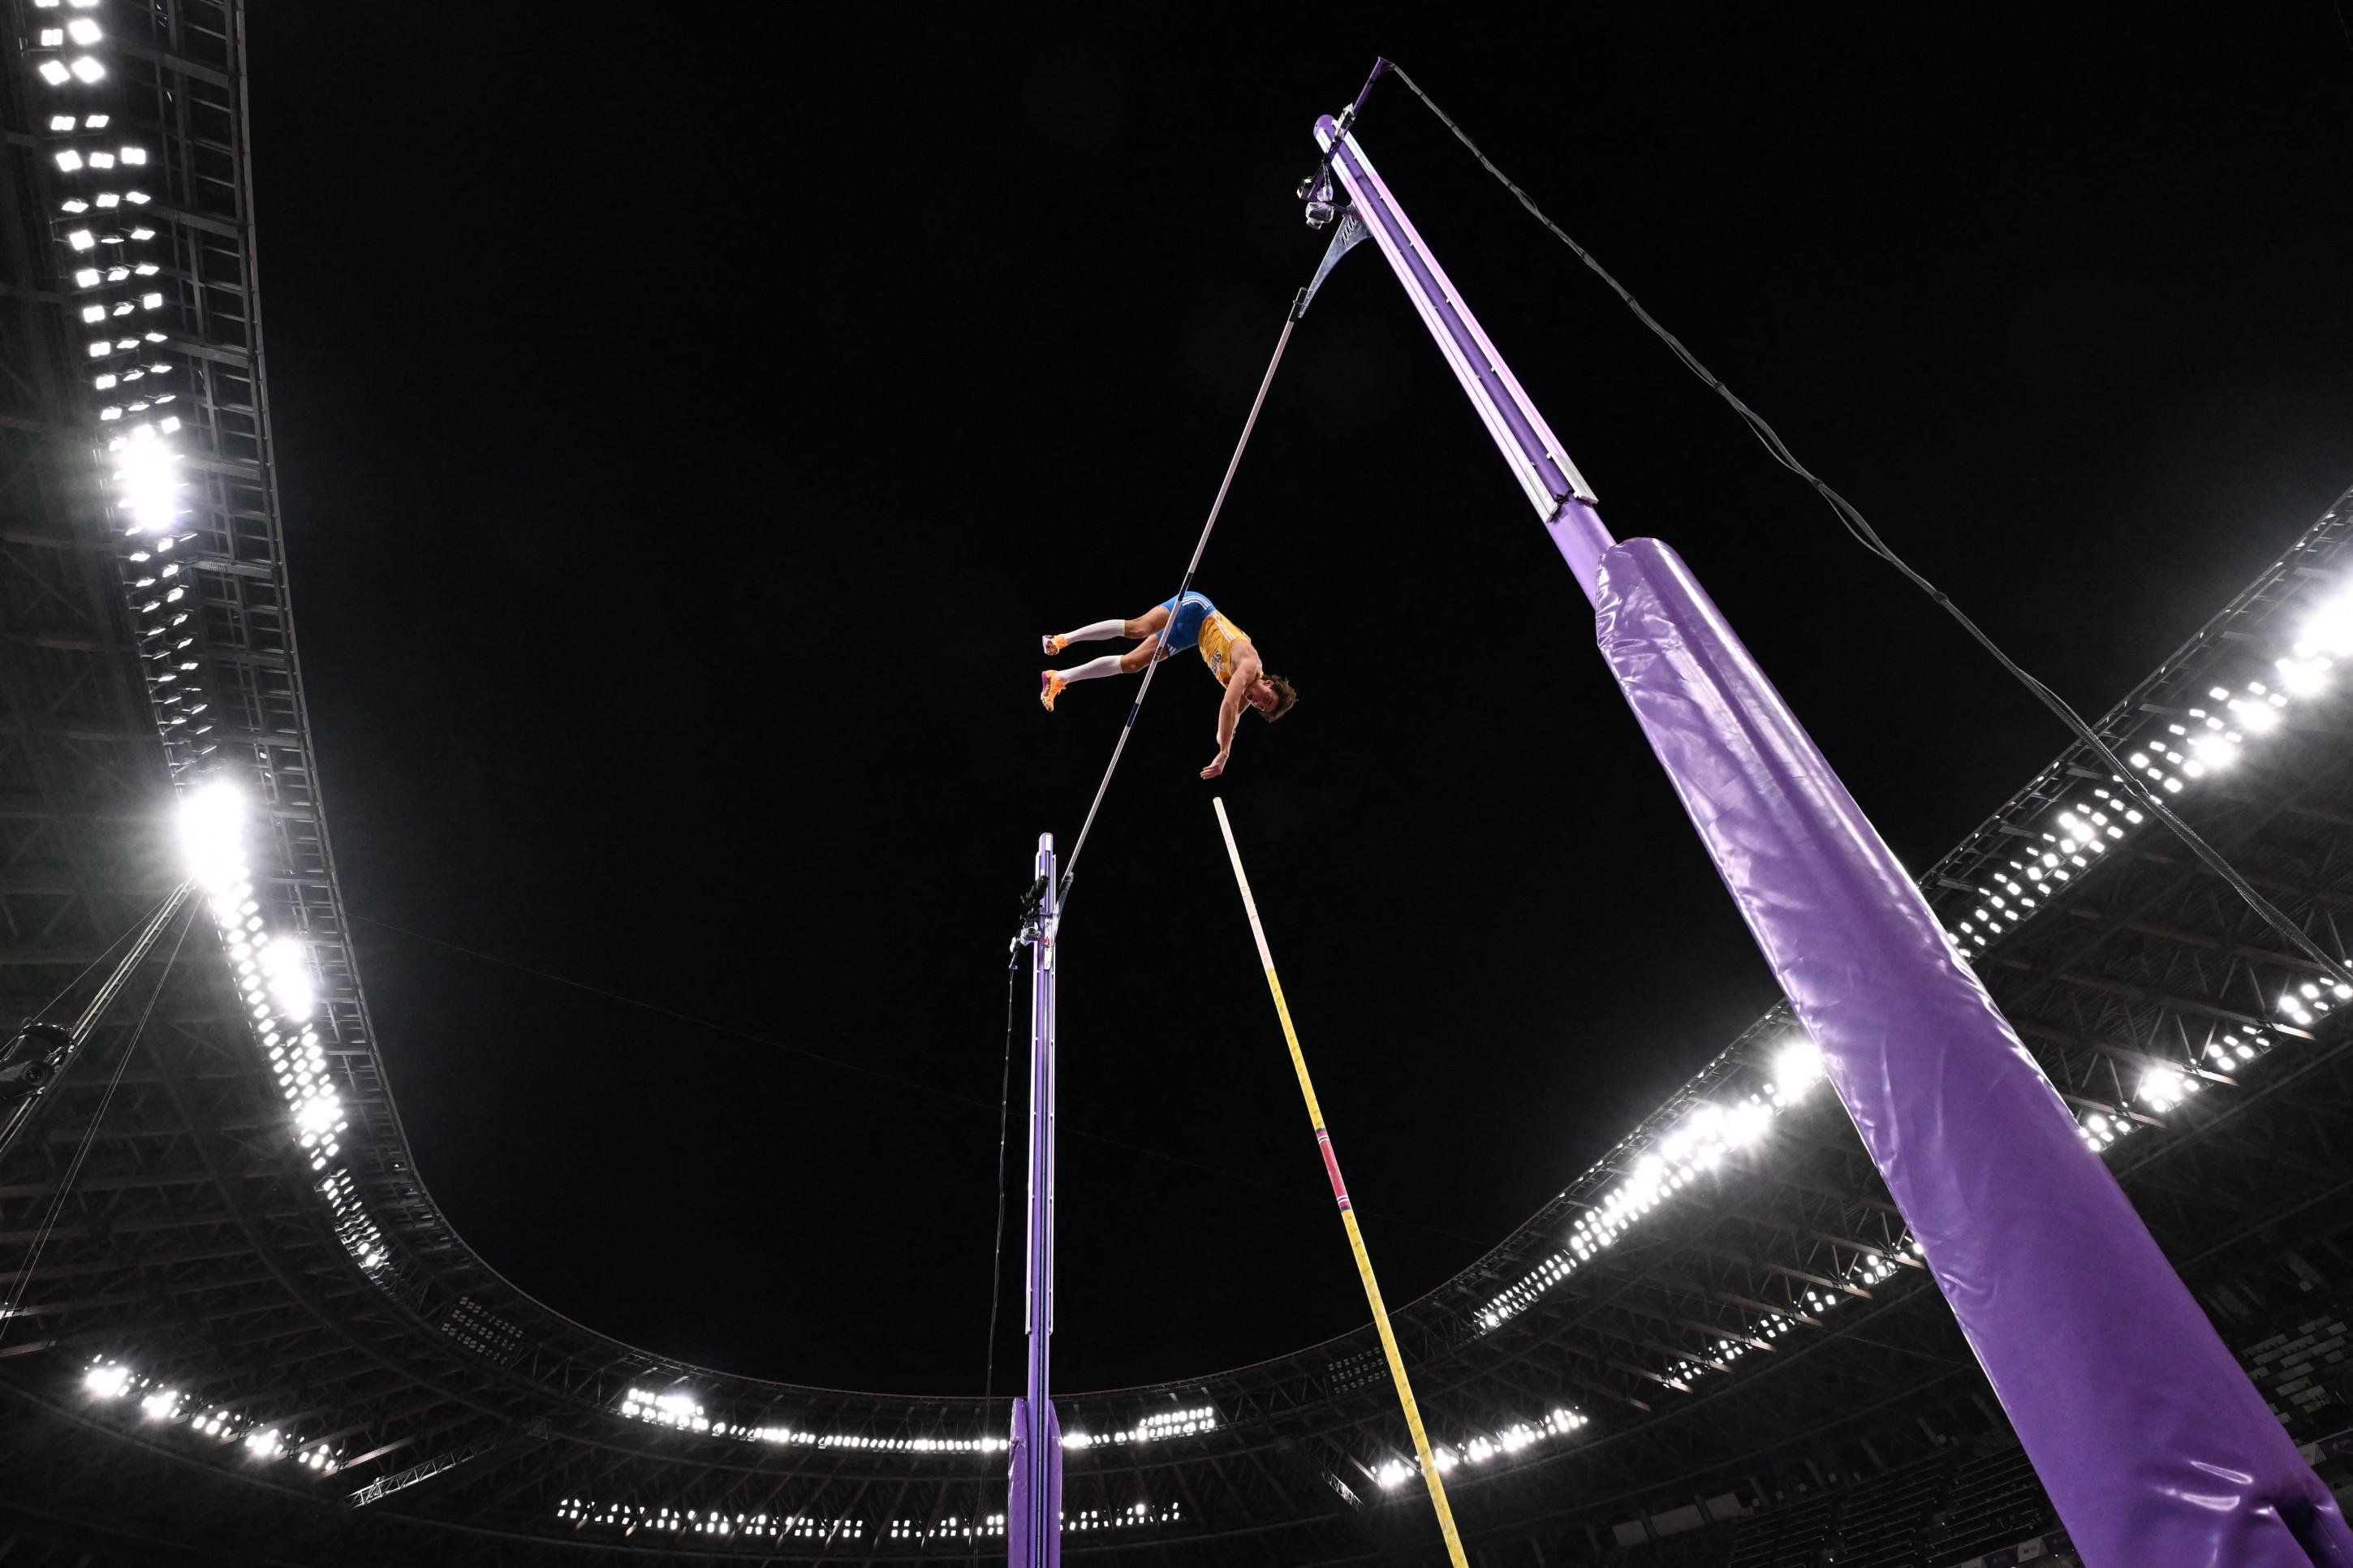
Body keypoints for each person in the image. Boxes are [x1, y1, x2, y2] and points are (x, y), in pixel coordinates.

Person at [1039, 591, 1298, 779]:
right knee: (1140, 628)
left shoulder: (1245, 692)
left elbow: (1230, 722)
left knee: (1132, 663)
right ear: (1267, 682)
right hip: (1198, 611)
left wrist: (1223, 743)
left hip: (1191, 635)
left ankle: (1059, 678)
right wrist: (1225, 752)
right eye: (1267, 698)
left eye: (1263, 707)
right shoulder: (1250, 666)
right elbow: (1228, 705)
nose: (1259, 703)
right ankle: (1062, 639)